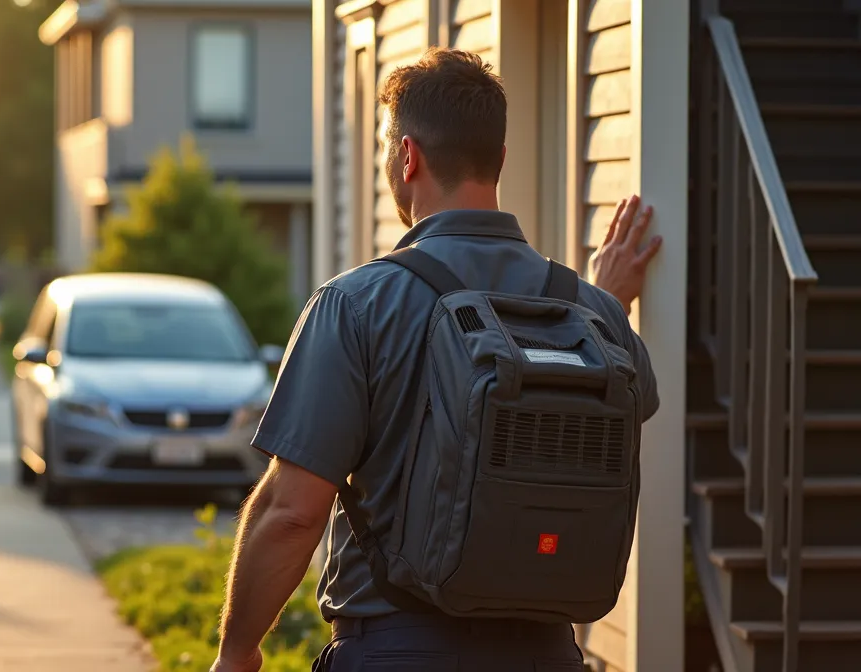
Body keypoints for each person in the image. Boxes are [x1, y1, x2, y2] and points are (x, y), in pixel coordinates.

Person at [210, 48, 662, 672]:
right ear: (499, 159)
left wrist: (236, 654)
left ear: (406, 156)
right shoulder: (593, 316)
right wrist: (606, 303)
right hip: (549, 654)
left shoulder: (356, 305)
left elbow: (293, 513)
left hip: (397, 651)